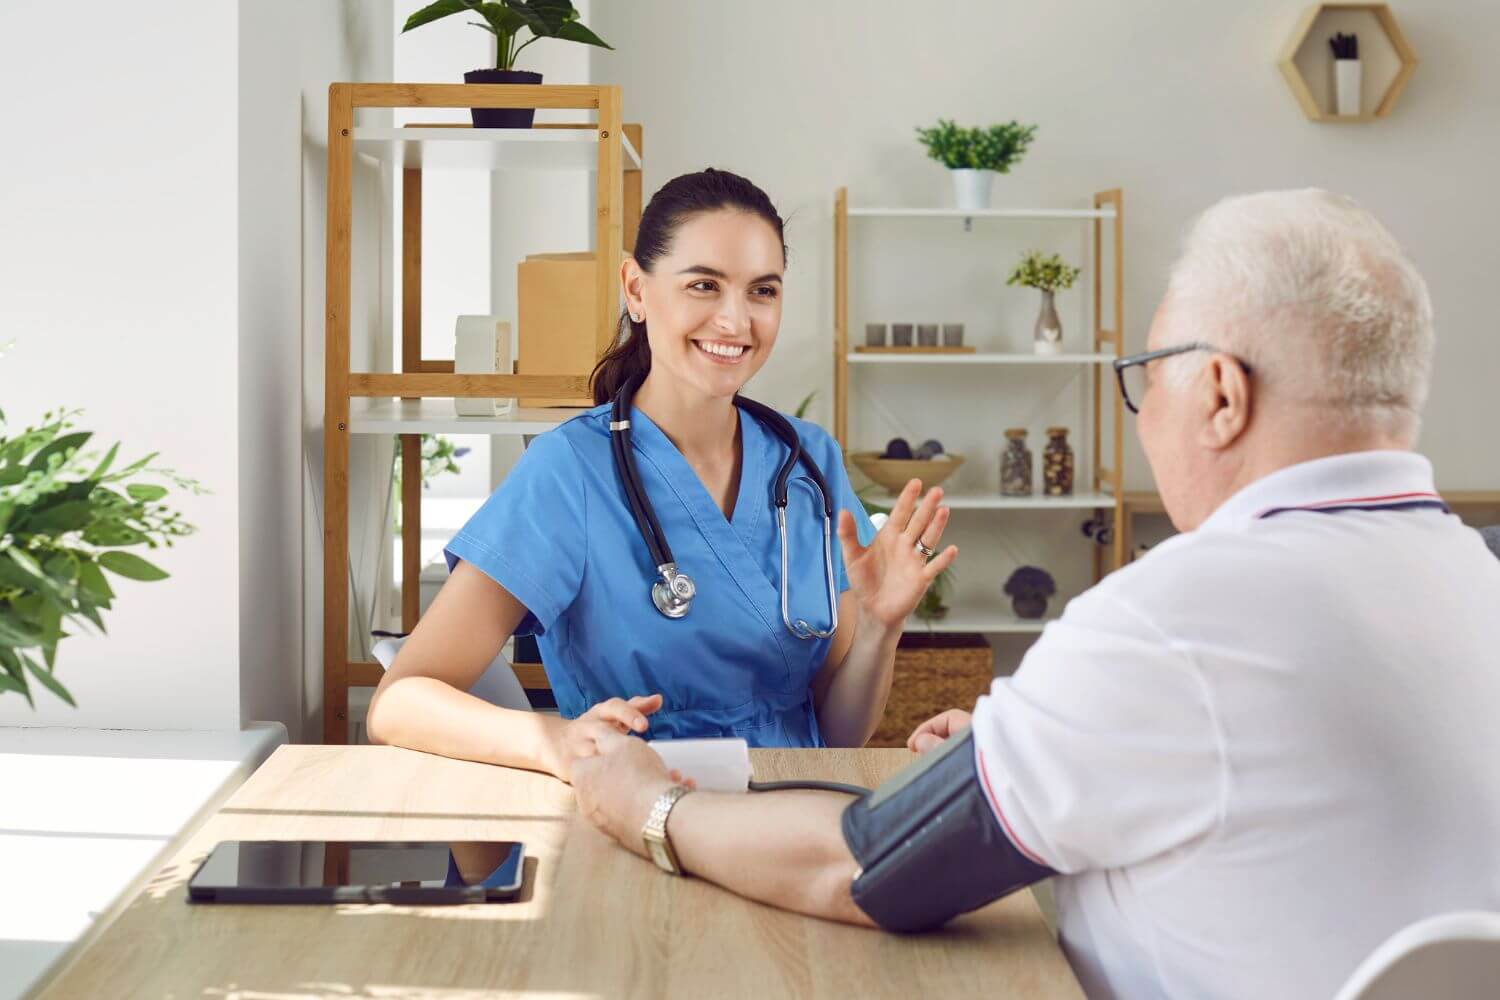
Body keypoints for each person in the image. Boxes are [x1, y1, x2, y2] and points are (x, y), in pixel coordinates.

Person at [571, 189, 1500, 1000]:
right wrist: (1029, 740)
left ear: (1220, 393)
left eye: (1145, 382)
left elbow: (870, 862)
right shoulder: (1477, 581)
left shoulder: (1173, 621)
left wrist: (652, 807)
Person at [367, 168, 957, 781]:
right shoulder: (570, 472)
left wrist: (881, 629)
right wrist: (553, 740)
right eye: (704, 285)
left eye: (763, 291)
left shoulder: (809, 462)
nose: (736, 321)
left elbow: (838, 732)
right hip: (641, 808)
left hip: (796, 800)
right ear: (637, 289)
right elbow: (399, 704)